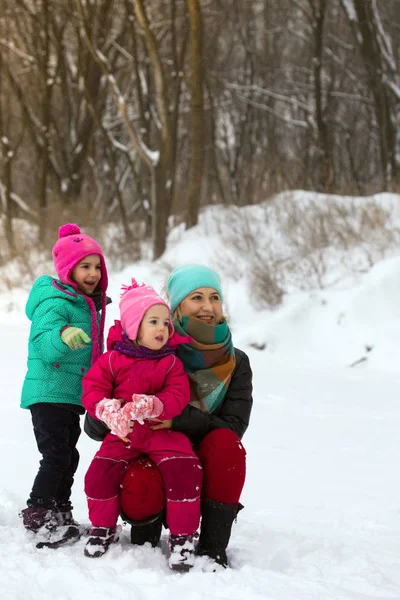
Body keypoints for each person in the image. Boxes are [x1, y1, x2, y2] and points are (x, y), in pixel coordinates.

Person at [84, 264, 253, 568]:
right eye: (196, 297)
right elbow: (94, 425)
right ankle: (142, 534)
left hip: (188, 448)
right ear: (176, 308)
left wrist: (175, 418)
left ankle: (210, 544)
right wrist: (113, 412)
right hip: (141, 445)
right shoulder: (149, 350)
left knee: (228, 446)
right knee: (133, 476)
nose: (207, 306)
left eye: (215, 297)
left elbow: (234, 426)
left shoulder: (236, 361)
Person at [81, 279, 203, 571]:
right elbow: (92, 388)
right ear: (134, 327)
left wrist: (156, 405)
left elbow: (178, 393)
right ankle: (103, 527)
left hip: (163, 433)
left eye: (165, 323)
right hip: (123, 435)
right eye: (153, 322)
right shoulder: (112, 360)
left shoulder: (171, 363)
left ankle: (183, 536)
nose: (162, 328)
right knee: (98, 474)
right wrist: (106, 409)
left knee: (185, 470)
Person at [20, 223, 109, 550]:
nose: (93, 273)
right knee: (56, 455)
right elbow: (43, 342)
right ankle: (39, 513)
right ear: (68, 269)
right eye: (85, 266)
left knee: (68, 456)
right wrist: (62, 337)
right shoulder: (55, 300)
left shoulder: (88, 305)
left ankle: (59, 509)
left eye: (97, 265)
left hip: (70, 397)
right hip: (48, 392)